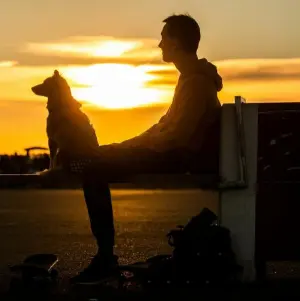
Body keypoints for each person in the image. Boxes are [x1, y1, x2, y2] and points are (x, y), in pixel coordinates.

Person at [69, 14, 223, 284]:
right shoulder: (190, 78)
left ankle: (105, 258)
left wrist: (133, 149)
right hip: (168, 153)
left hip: (175, 157)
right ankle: (103, 255)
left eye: (164, 38)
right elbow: (162, 128)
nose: (159, 44)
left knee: (92, 169)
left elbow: (177, 138)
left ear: (176, 42)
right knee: (94, 160)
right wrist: (124, 146)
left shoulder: (196, 82)